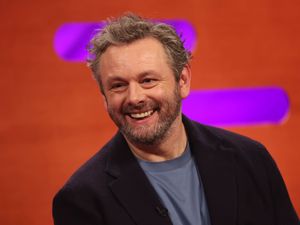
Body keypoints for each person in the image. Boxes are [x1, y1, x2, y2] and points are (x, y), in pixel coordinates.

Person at [52, 13, 299, 225]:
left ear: (182, 81)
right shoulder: (82, 199)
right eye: (118, 85)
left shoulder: (251, 160)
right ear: (104, 97)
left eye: (148, 80)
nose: (135, 97)